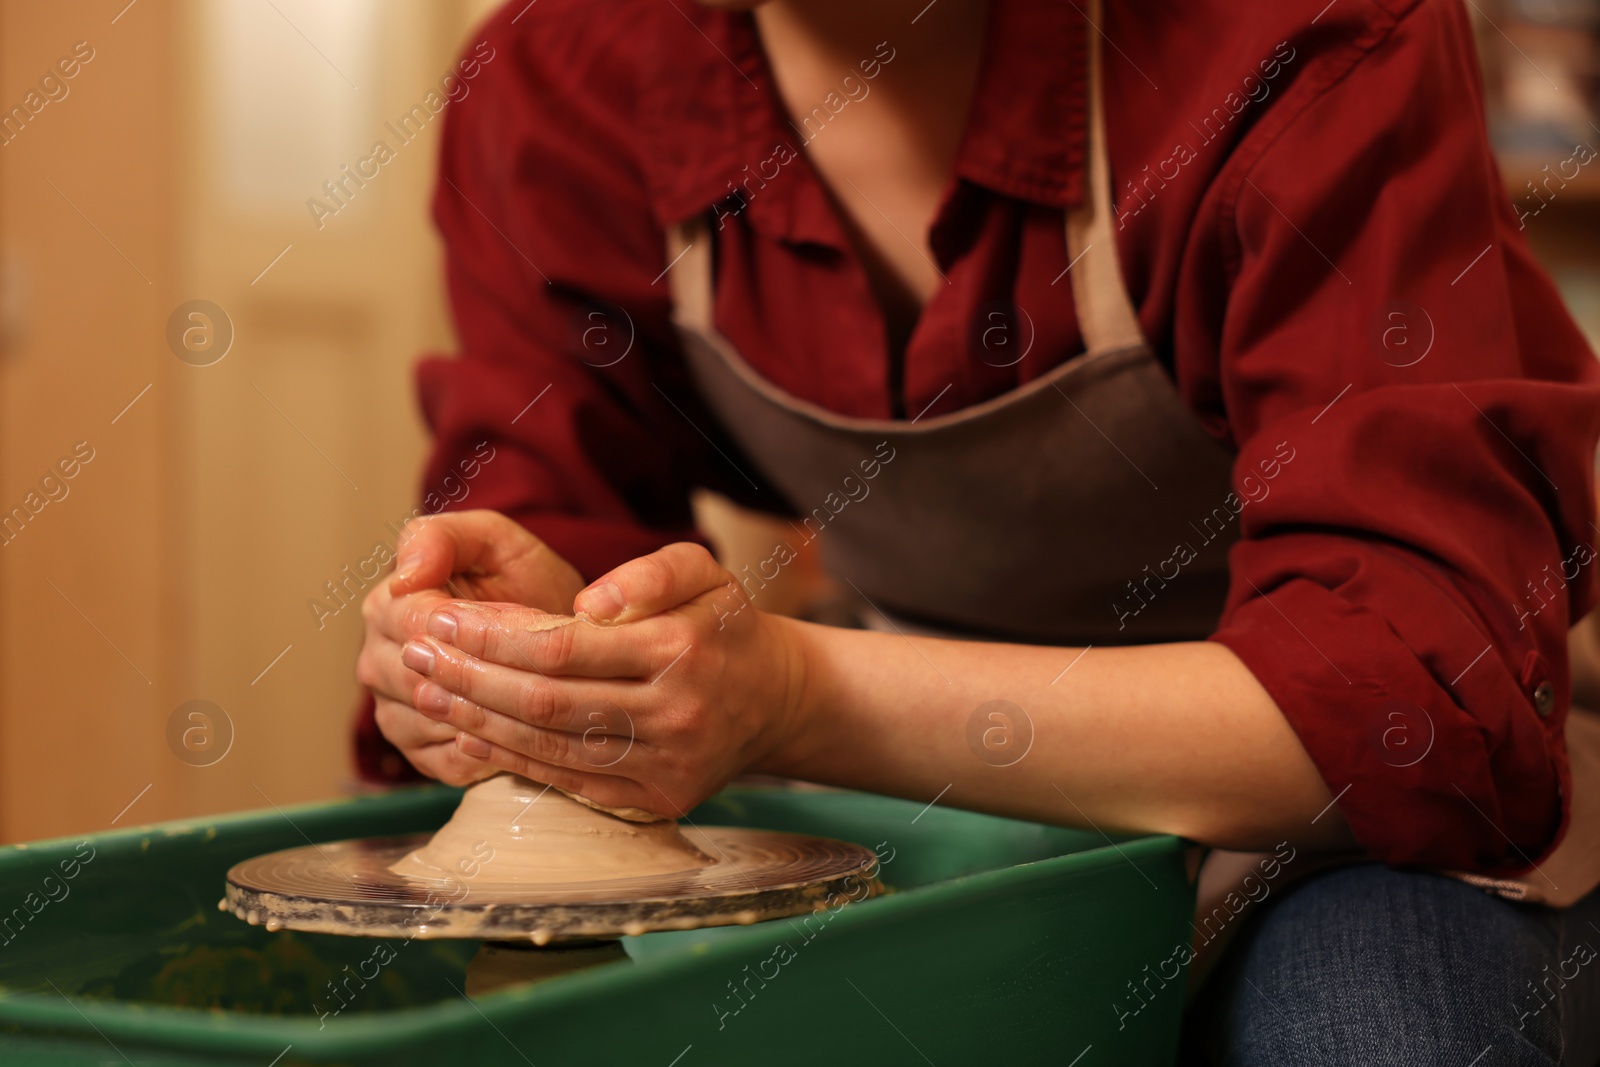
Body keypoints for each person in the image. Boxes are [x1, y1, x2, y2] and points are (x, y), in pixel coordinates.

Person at [354, 0, 1600, 1061]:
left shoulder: (1296, 31)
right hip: (929, 770)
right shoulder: (565, 68)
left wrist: (789, 694)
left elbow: (1411, 708)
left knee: (1371, 1025)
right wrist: (506, 669)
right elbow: (550, 519)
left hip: (1371, 807)